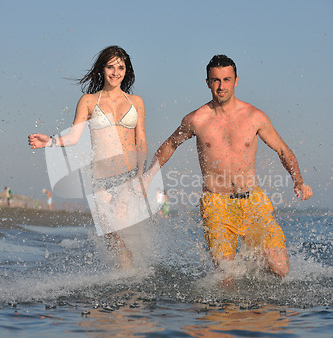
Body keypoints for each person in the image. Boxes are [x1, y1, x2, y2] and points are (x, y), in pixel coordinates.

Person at [144, 54, 313, 277]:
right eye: (215, 80)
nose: (221, 86)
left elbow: (283, 149)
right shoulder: (196, 119)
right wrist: (149, 175)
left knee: (280, 268)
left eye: (226, 79)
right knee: (227, 278)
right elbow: (171, 144)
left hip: (253, 203)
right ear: (207, 83)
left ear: (236, 80)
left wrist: (298, 180)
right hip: (216, 205)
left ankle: (256, 286)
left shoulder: (255, 116)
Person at [29, 46, 148, 263]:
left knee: (121, 228)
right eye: (110, 67)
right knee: (112, 237)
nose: (115, 72)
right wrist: (51, 141)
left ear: (126, 70)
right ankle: (127, 278)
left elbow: (141, 141)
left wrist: (141, 174)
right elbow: (74, 137)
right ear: (102, 69)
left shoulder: (136, 102)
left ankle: (132, 275)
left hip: (128, 176)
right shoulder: (88, 101)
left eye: (120, 67)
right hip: (100, 180)